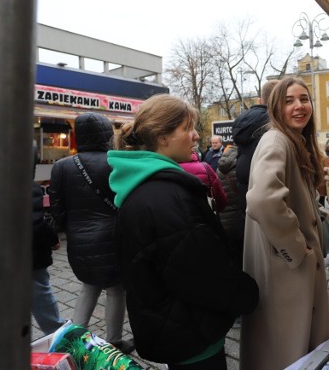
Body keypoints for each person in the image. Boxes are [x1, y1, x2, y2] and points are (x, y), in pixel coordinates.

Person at [107, 94, 258, 369]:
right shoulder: (168, 197)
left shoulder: (143, 188)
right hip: (193, 335)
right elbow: (203, 275)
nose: (195, 136)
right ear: (162, 137)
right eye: (187, 128)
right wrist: (248, 294)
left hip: (172, 326)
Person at [241, 77, 329, 370]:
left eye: (304, 99)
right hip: (285, 273)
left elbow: (307, 206)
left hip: (291, 271)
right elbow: (263, 199)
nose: (299, 106)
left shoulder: (294, 141)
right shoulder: (276, 140)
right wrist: (297, 249)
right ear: (276, 107)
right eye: (289, 100)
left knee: (298, 350)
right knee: (287, 351)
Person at [49, 112, 133, 353]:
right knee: (116, 288)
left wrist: (71, 228)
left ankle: (74, 340)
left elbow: (57, 207)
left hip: (79, 237)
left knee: (88, 284)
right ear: (106, 133)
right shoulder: (116, 160)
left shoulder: (61, 166)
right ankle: (114, 340)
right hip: (113, 235)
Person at [31, 143, 65, 335]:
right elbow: (35, 224)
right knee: (41, 295)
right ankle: (56, 336)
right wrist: (53, 239)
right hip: (28, 258)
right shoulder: (27, 188)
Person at [232, 79, 278, 217]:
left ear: (260, 100)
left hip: (245, 190)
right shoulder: (273, 120)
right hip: (268, 192)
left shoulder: (242, 120)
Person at [215, 144, 242, 267]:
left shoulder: (219, 167)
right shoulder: (241, 164)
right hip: (240, 215)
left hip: (225, 217)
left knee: (232, 254)